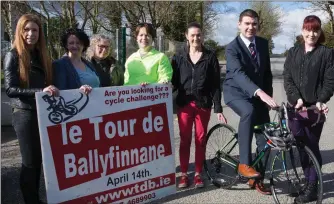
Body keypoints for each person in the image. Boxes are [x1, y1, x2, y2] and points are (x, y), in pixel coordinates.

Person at [3, 14, 59, 203]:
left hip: (43, 113)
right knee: (30, 163)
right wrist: (41, 91)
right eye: (26, 29)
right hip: (24, 114)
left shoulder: (42, 55)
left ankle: (35, 199)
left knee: (39, 162)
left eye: (34, 30)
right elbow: (10, 89)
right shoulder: (13, 55)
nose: (30, 34)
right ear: (20, 31)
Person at [223, 9, 278, 195]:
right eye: (247, 23)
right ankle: (244, 163)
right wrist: (260, 93)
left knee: (265, 139)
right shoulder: (232, 48)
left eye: (254, 23)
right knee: (248, 111)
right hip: (235, 93)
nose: (250, 27)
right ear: (239, 24)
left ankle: (257, 179)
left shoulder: (262, 43)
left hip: (258, 95)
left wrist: (267, 97)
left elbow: (267, 73)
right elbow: (238, 74)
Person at [283, 15, 334, 203]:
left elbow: (329, 81)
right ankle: (308, 182)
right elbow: (287, 78)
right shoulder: (293, 52)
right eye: (308, 29)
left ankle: (313, 186)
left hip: (314, 109)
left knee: (311, 146)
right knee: (300, 146)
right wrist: (296, 99)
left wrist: (321, 100)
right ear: (302, 31)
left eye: (315, 30)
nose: (311, 33)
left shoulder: (326, 54)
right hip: (295, 108)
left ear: (320, 32)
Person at [172, 22, 227, 189]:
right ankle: (183, 174)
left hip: (203, 104)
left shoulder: (210, 56)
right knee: (185, 139)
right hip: (185, 104)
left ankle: (197, 173)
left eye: (199, 35)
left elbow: (216, 84)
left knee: (200, 139)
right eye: (193, 35)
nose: (196, 38)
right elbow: (173, 82)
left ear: (202, 36)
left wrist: (218, 108)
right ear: (186, 36)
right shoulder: (178, 57)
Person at [53, 28, 100, 93]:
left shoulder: (89, 64)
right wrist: (78, 91)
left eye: (78, 43)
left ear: (84, 45)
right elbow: (60, 91)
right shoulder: (59, 65)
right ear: (66, 45)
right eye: (71, 43)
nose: (75, 46)